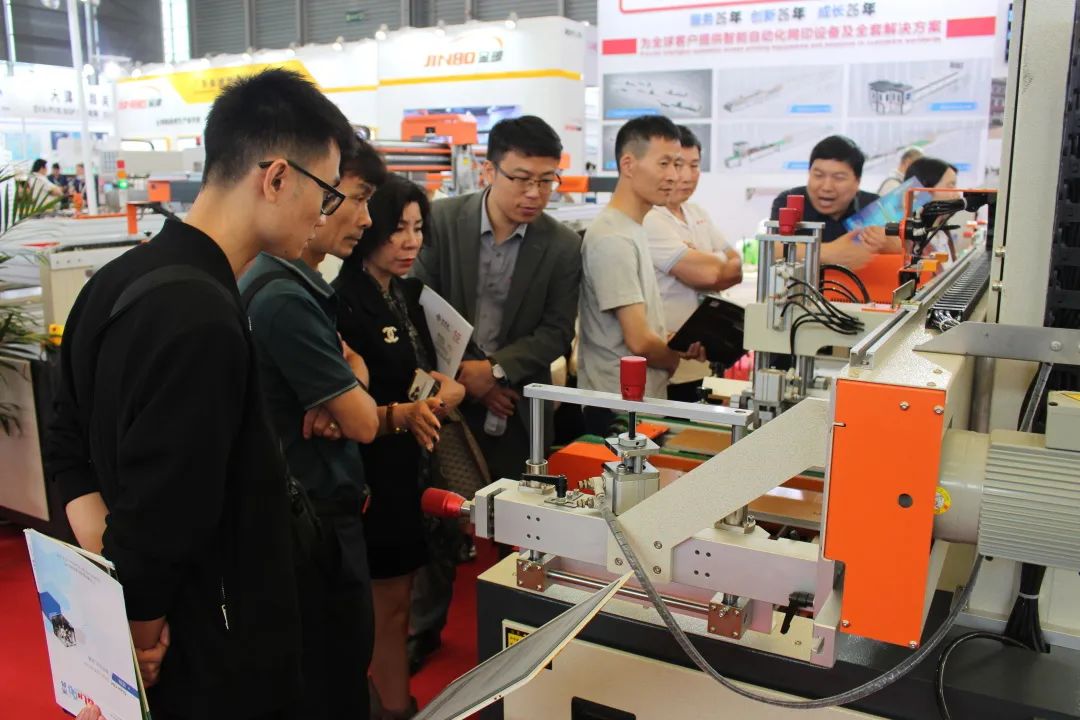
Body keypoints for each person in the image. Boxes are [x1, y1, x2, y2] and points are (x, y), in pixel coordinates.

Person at [44, 68, 356, 720]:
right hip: (207, 649)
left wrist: (113, 588)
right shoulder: (202, 317)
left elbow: (66, 441)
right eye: (327, 193)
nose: (325, 216)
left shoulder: (118, 278)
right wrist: (140, 627)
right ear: (276, 178)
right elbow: (163, 508)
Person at [410, 114, 581, 668]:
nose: (535, 194)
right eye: (521, 178)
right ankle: (423, 630)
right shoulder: (442, 221)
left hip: (516, 405)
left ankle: (524, 635)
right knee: (437, 516)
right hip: (441, 396)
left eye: (547, 181)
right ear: (489, 170)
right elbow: (418, 304)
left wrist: (497, 373)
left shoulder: (561, 245)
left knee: (523, 521)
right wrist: (472, 381)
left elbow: (556, 331)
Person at [239, 139, 387, 718]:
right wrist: (352, 393)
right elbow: (364, 422)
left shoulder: (291, 285)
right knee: (333, 678)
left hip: (311, 517)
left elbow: (356, 378)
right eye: (354, 197)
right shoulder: (283, 296)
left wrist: (350, 382)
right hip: (314, 524)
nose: (365, 219)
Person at [333, 174, 467, 719]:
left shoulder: (410, 295)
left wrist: (444, 390)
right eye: (397, 229)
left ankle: (393, 702)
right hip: (374, 471)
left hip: (415, 464)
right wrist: (439, 394)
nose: (410, 241)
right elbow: (355, 402)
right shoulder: (344, 300)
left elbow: (450, 370)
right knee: (383, 607)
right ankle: (391, 706)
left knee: (400, 601)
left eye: (417, 228)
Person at [578, 115, 705, 434]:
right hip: (617, 410)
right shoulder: (613, 238)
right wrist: (673, 360)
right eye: (664, 164)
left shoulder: (632, 228)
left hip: (639, 403)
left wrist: (672, 341)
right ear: (628, 164)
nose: (674, 176)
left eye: (677, 164)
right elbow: (638, 340)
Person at [643, 125, 742, 402]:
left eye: (694, 165)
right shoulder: (650, 217)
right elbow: (709, 276)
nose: (686, 176)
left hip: (702, 362)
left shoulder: (697, 212)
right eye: (677, 165)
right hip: (665, 365)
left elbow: (736, 265)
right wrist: (712, 264)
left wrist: (704, 260)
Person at [771, 135, 898, 272]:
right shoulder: (789, 201)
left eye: (838, 178)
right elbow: (773, 248)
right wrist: (827, 253)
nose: (827, 187)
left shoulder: (874, 206)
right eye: (818, 175)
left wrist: (891, 245)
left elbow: (902, 250)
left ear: (857, 181)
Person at [904, 156, 962, 259]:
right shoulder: (909, 245)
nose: (957, 195)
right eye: (950, 186)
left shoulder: (942, 235)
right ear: (923, 191)